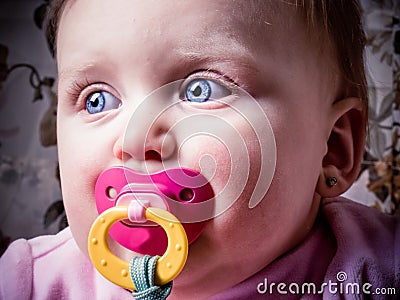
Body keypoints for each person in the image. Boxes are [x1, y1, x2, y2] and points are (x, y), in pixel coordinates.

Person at [1, 0, 399, 299]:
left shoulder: (376, 269)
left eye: (200, 90)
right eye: (97, 100)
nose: (134, 140)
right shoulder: (29, 284)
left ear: (331, 148)